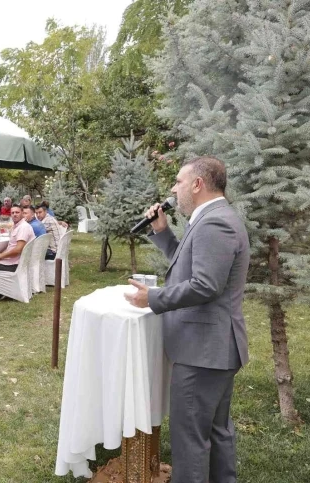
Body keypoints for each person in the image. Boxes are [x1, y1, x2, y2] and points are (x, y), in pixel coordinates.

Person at [124, 156, 249, 483]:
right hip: (213, 349)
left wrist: (151, 298)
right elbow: (190, 267)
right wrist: (162, 233)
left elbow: (205, 286)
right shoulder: (209, 218)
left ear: (198, 184)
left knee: (190, 440)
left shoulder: (215, 222)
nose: (173, 189)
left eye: (178, 181)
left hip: (203, 352)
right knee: (216, 431)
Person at [0, 205, 35, 285]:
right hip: (12, 261)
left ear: (22, 213)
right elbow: (11, 246)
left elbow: (17, 250)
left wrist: (1, 256)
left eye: (17, 212)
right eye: (12, 213)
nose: (14, 214)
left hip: (15, 264)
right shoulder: (17, 226)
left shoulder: (23, 227)